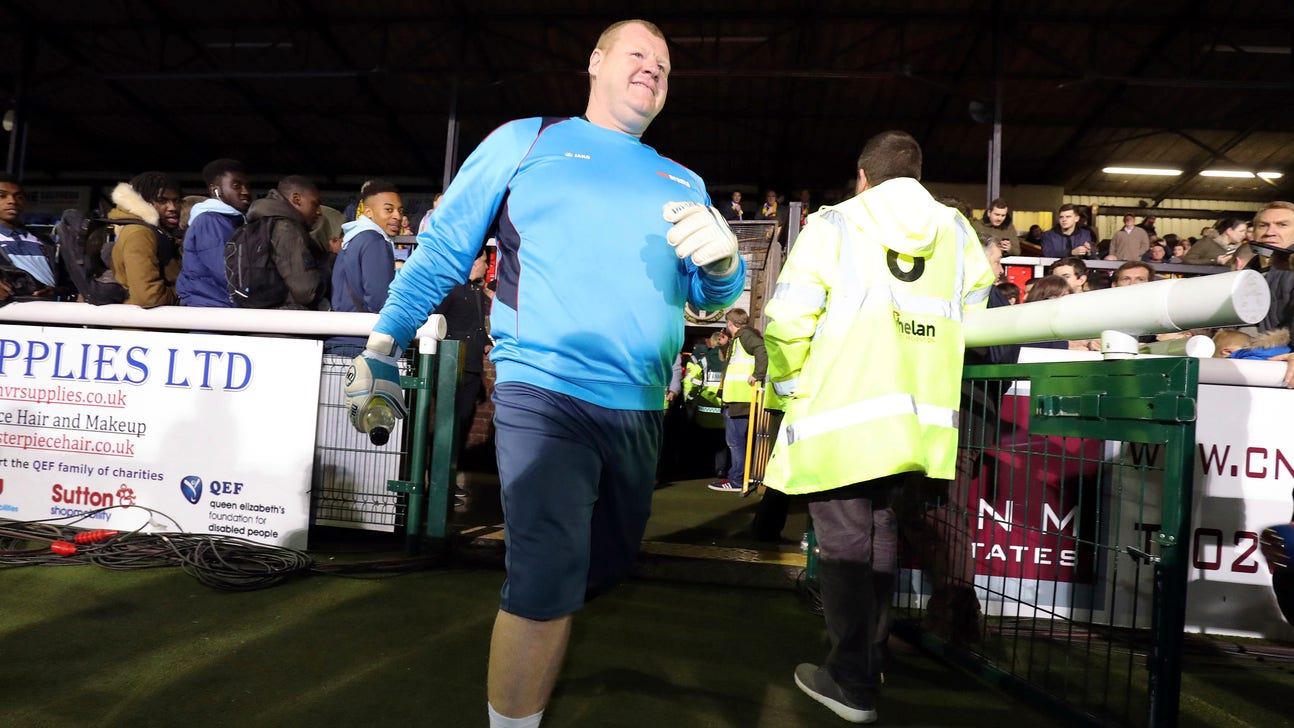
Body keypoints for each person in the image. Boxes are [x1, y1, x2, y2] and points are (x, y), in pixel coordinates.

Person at [341, 20, 745, 728]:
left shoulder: (682, 179)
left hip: (642, 406)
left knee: (608, 563)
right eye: (637, 54)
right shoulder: (527, 140)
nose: (652, 68)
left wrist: (724, 267)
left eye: (665, 64)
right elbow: (440, 253)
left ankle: (533, 619)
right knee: (547, 573)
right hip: (543, 390)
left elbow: (704, 296)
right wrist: (380, 347)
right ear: (596, 63)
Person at [762, 130, 994, 724]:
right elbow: (974, 314)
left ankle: (851, 680)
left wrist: (789, 387)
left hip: (840, 414)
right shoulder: (957, 230)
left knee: (843, 549)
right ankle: (869, 659)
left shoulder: (835, 223)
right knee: (880, 540)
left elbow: (787, 318)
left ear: (863, 177)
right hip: (916, 420)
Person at [432, 246, 491, 466]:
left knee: (462, 426)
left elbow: (477, 327)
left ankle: (450, 476)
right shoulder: (450, 289)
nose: (486, 266)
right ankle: (437, 477)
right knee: (448, 426)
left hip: (472, 368)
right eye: (484, 261)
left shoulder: (476, 291)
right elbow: (435, 322)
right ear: (472, 263)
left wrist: (485, 343)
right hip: (450, 366)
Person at [242, 175, 329, 309]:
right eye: (315, 203)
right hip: (286, 319)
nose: (319, 212)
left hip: (259, 317)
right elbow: (306, 292)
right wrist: (331, 261)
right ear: (296, 199)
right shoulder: (286, 229)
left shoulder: (258, 224)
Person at [177, 158, 251, 307]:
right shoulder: (210, 221)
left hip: (219, 306)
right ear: (215, 190)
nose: (245, 192)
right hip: (212, 310)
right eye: (236, 186)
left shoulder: (229, 221)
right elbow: (227, 272)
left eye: (247, 186)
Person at [708, 307, 767, 492]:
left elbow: (761, 349)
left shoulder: (746, 337)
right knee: (737, 442)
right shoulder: (739, 339)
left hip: (739, 399)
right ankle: (739, 477)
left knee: (735, 442)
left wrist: (757, 374)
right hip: (738, 398)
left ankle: (736, 480)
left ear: (729, 324)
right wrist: (725, 346)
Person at [108, 171, 182, 307]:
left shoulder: (154, 231)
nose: (172, 208)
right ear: (143, 202)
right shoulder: (140, 233)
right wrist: (187, 293)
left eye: (176, 201)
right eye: (162, 201)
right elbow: (148, 297)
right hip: (145, 325)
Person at [0, 173, 72, 302]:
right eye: (2, 196)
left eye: (19, 197)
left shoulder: (48, 242)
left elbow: (68, 283)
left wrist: (57, 291)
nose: (12, 201)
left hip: (49, 315)